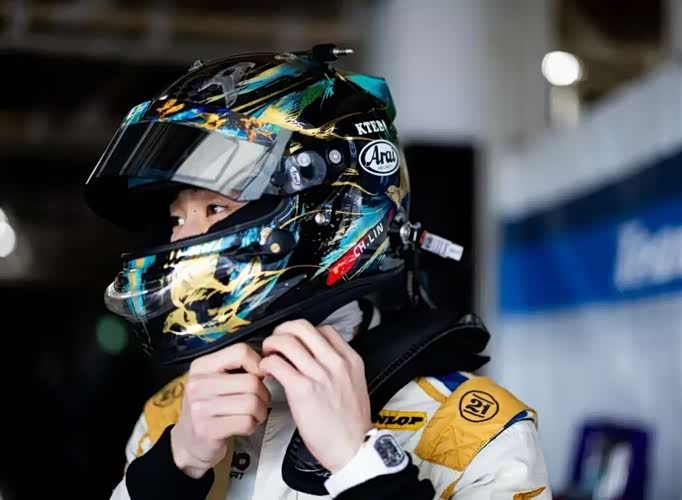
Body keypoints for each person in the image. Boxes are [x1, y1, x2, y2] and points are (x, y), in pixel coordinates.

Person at [84, 45, 552, 499]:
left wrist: (362, 468)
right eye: (176, 218)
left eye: (214, 208)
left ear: (324, 213)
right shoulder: (172, 415)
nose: (182, 239)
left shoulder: (478, 433)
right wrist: (174, 468)